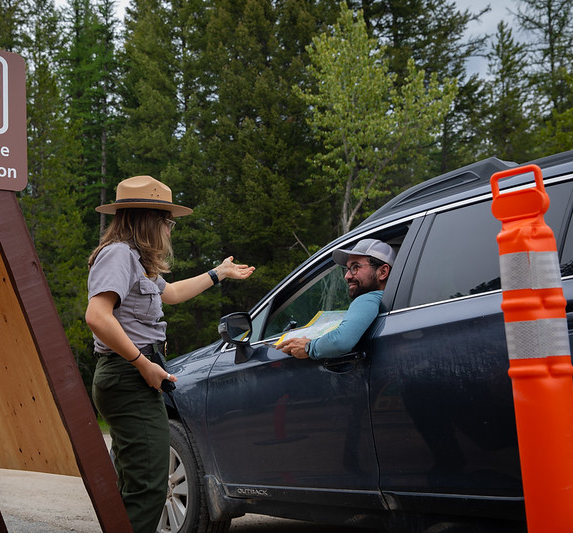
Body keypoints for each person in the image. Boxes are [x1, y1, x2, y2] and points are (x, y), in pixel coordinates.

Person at [85, 175, 255, 533]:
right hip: (128, 375)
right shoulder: (119, 255)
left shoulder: (135, 259)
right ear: (149, 219)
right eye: (168, 221)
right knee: (149, 487)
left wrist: (218, 273)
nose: (170, 229)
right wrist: (142, 364)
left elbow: (172, 293)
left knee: (137, 483)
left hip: (132, 375)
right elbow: (97, 316)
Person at [276, 238, 394, 359]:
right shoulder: (392, 301)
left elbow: (340, 341)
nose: (347, 276)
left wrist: (309, 347)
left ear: (383, 272)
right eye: (347, 269)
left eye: (355, 267)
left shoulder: (368, 299)